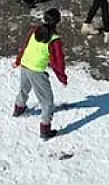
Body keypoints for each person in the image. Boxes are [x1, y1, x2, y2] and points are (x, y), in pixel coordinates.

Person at [12, 8, 68, 140]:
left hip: (25, 64)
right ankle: (45, 129)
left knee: (24, 89)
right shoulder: (54, 39)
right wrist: (62, 77)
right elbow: (58, 62)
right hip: (36, 71)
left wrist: (19, 60)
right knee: (47, 102)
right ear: (58, 21)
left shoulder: (35, 30)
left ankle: (18, 109)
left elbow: (25, 46)